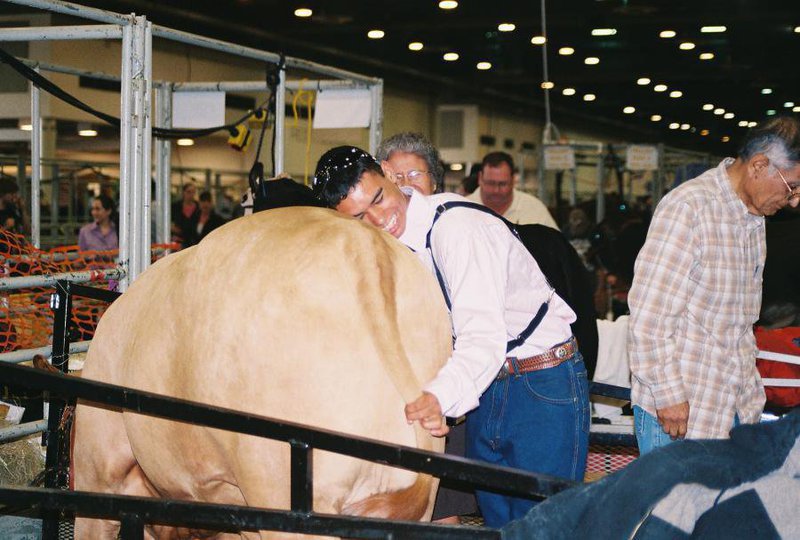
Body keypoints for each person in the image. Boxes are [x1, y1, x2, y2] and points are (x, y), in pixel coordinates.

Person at [312, 146, 589, 528]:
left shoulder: (458, 228)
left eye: (378, 198)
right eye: (360, 216)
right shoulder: (391, 247)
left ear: (391, 174)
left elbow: (482, 336)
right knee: (499, 524)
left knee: (543, 525)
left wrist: (440, 396)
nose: (378, 218)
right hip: (485, 388)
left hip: (540, 384)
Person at [628, 116, 800, 455]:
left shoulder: (754, 218)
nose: (794, 200)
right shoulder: (689, 208)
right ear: (759, 166)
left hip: (735, 409)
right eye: (791, 186)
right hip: (682, 415)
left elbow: (740, 323)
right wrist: (668, 395)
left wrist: (749, 400)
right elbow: (649, 317)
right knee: (675, 510)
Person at [467, 152, 558, 229]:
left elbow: (557, 246)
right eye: (490, 183)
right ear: (480, 178)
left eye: (502, 184)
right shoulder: (463, 208)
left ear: (513, 180)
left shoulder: (535, 209)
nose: (496, 190)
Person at [376, 132, 445, 195]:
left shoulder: (452, 207)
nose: (406, 184)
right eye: (397, 177)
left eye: (414, 174)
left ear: (433, 181)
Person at [171, 183, 200, 248]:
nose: (191, 195)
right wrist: (173, 228)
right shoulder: (175, 206)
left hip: (194, 241)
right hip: (178, 240)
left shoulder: (199, 207)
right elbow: (170, 221)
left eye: (193, 192)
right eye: (188, 192)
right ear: (183, 192)